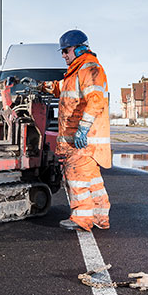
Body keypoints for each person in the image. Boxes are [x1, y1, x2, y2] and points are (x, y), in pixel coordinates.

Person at [41, 29, 111, 231]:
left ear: (80, 48)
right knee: (93, 181)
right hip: (83, 142)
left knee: (76, 178)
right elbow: (59, 87)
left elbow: (96, 101)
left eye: (66, 50)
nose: (63, 55)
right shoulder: (76, 72)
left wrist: (82, 130)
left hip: (82, 141)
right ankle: (100, 217)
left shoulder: (89, 69)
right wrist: (40, 86)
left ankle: (82, 219)